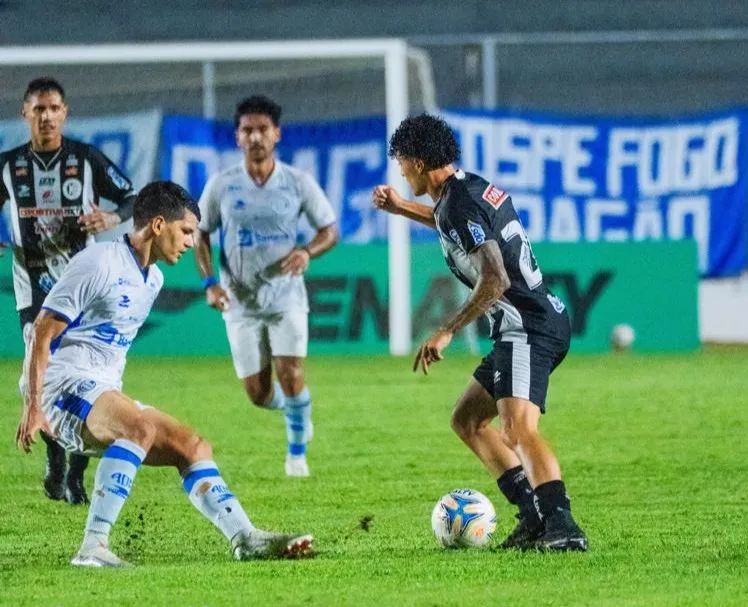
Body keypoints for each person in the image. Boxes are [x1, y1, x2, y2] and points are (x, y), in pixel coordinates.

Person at [14, 181, 314, 567]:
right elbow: (41, 331)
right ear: (158, 225)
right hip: (62, 386)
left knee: (192, 445)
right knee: (137, 428)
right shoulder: (98, 261)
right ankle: (93, 547)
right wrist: (34, 406)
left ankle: (245, 538)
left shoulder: (152, 279)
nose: (191, 242)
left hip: (100, 388)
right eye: (186, 231)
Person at [372, 114, 588, 552]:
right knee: (467, 420)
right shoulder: (464, 189)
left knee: (517, 430)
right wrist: (400, 208)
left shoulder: (459, 203)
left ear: (416, 161)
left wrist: (446, 330)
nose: (399, 172)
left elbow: (496, 279)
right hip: (528, 323)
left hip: (526, 327)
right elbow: (451, 225)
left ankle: (563, 527)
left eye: (401, 162)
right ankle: (532, 515)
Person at [0, 77, 137, 506]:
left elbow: (132, 197)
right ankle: (56, 457)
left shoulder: (86, 158)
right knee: (40, 373)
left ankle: (74, 472)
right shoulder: (7, 165)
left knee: (90, 377)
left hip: (84, 284)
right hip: (34, 286)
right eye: (38, 109)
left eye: (53, 108)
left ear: (65, 113)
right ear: (25, 114)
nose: (46, 116)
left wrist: (111, 219)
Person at [195, 95, 338, 477]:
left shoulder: (297, 182)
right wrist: (210, 283)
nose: (255, 136)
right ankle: (297, 409)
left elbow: (330, 230)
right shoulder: (222, 185)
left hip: (286, 296)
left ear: (277, 134)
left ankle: (296, 456)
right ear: (237, 137)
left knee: (290, 372)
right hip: (238, 302)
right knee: (258, 395)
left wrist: (308, 252)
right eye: (247, 130)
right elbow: (199, 234)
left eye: (262, 129)